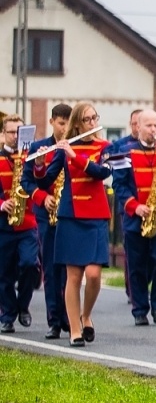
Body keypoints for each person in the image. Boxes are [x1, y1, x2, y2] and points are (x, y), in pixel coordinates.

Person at [39, 103, 113, 347]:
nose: (92, 123)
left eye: (95, 118)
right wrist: (39, 164)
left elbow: (102, 173)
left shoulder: (105, 147)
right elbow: (46, 178)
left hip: (96, 214)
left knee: (93, 275)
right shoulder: (65, 148)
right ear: (77, 124)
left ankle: (86, 314)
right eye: (87, 119)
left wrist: (75, 156)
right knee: (73, 275)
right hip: (71, 215)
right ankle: (74, 329)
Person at [110, 109, 156, 327]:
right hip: (135, 216)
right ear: (137, 127)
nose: (153, 130)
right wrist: (134, 206)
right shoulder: (123, 152)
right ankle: (139, 309)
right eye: (149, 126)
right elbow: (118, 184)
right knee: (136, 264)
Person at [27, 103, 73, 339]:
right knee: (50, 269)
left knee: (70, 270)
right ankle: (54, 320)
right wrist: (43, 198)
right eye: (61, 123)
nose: (65, 128)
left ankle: (69, 316)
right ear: (52, 122)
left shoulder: (74, 148)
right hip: (47, 214)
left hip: (69, 214)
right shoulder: (38, 147)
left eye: (68, 123)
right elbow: (27, 181)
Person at [0, 115, 42, 334]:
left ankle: (23, 305)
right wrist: (1, 203)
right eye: (11, 132)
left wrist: (39, 165)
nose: (15, 137)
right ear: (3, 135)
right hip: (3, 225)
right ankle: (7, 315)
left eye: (19, 132)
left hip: (27, 222)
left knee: (29, 265)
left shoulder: (29, 157)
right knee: (4, 273)